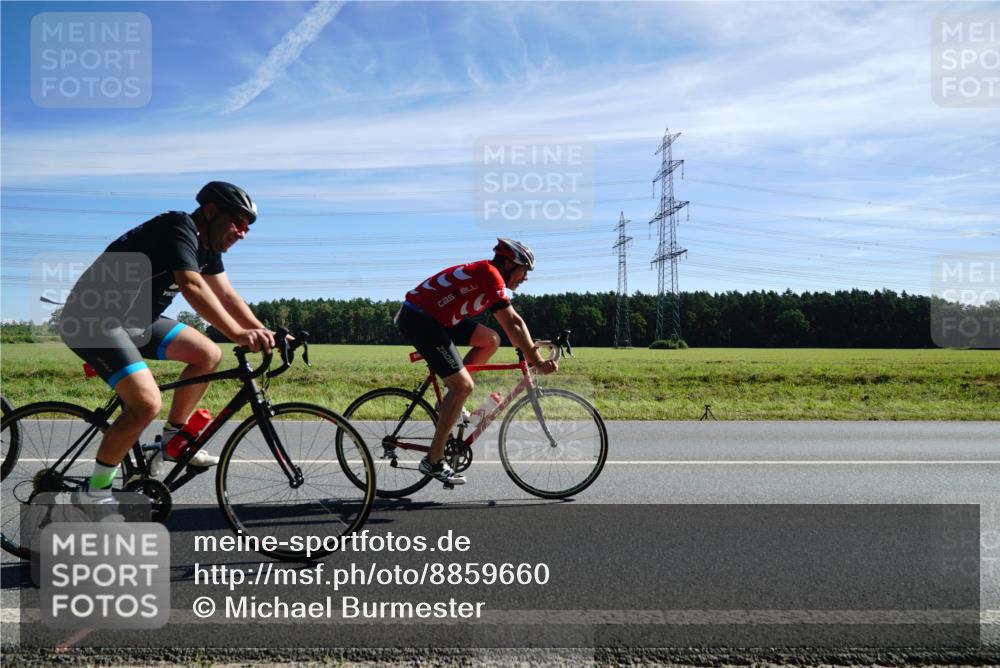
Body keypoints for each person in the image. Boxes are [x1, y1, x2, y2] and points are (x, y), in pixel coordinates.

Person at [58, 182, 276, 513]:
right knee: (145, 404)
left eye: (247, 227)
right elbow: (191, 285)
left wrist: (265, 332)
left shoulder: (208, 247)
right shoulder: (178, 227)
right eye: (238, 222)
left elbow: (228, 296)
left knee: (208, 355)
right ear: (212, 211)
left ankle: (174, 441)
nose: (242, 233)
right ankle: (95, 490)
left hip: (135, 321)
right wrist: (237, 333)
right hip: (93, 318)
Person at [396, 238, 558, 485]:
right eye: (524, 271)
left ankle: (450, 402)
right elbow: (512, 323)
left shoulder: (490, 274)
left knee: (491, 340)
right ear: (508, 264)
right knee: (463, 387)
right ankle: (434, 460)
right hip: (420, 319)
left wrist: (531, 350)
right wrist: (535, 359)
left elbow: (514, 325)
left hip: (439, 318)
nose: (525, 278)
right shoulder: (489, 274)